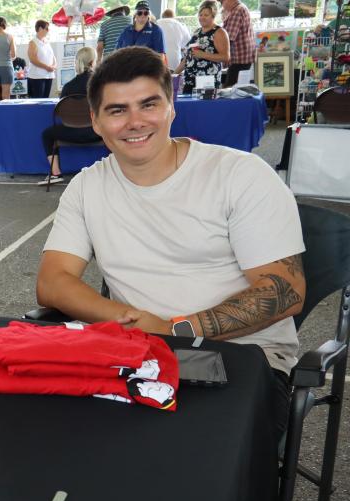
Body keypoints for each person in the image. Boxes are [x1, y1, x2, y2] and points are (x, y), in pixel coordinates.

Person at [36, 46, 304, 440]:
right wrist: (129, 323)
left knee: (184, 460)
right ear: (95, 121)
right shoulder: (87, 186)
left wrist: (170, 330)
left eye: (149, 104)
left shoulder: (240, 175)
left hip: (243, 356)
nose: (135, 122)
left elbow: (284, 290)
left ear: (171, 107)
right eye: (116, 110)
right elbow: (52, 283)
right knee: (60, 443)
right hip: (137, 352)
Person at [36, 46, 102, 185]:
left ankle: (55, 173)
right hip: (96, 132)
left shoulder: (68, 87)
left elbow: (61, 112)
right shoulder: (100, 85)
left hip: (71, 132)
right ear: (92, 62)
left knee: (47, 134)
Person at [176, 0, 229, 94]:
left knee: (204, 108)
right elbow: (188, 58)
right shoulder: (197, 32)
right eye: (200, 15)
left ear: (213, 16)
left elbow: (226, 57)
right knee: (188, 108)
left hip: (207, 82)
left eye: (206, 15)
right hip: (190, 81)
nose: (202, 17)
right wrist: (173, 75)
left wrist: (203, 54)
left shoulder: (219, 32)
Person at [219, 0, 255, 86]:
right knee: (239, 88)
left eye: (221, 2)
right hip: (243, 57)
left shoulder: (237, 11)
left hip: (239, 58)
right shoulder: (241, 8)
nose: (222, 6)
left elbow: (228, 38)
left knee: (230, 89)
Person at [27, 20, 56, 98]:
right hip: (37, 76)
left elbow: (53, 56)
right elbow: (33, 59)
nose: (48, 31)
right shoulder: (33, 42)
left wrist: (54, 66)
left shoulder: (46, 42)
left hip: (49, 75)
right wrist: (47, 67)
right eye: (46, 29)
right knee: (38, 101)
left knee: (46, 100)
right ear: (40, 29)